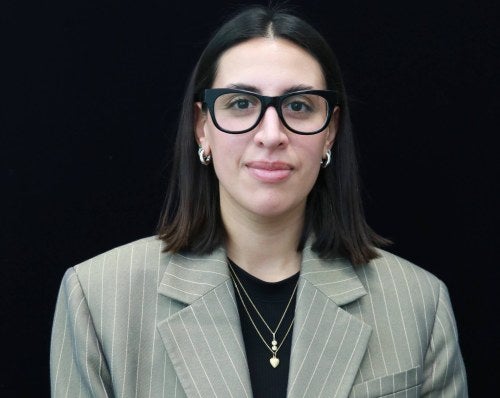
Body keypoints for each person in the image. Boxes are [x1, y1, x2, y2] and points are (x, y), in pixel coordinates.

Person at [50, 4, 468, 397]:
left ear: (330, 131)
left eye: (299, 106)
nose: (271, 134)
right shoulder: (99, 299)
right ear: (202, 127)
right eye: (241, 103)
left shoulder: (419, 304)